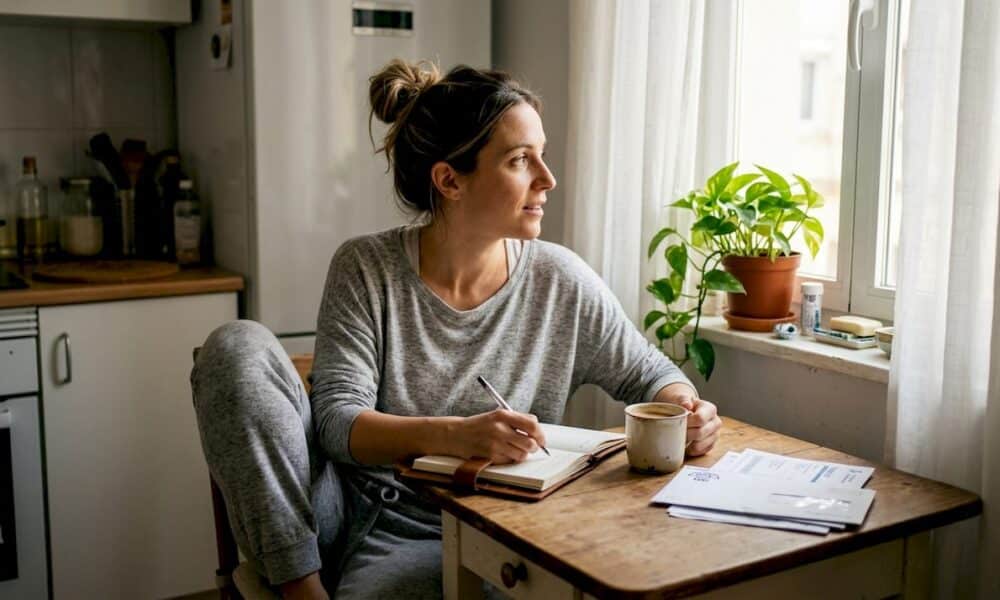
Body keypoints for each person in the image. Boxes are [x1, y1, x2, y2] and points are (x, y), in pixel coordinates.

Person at [192, 59, 722, 600]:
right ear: (449, 180)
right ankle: (299, 587)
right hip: (355, 513)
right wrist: (456, 433)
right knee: (235, 347)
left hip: (488, 527)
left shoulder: (559, 278)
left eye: (543, 154)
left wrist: (686, 406)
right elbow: (336, 424)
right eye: (521, 159)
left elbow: (649, 371)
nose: (548, 178)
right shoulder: (365, 267)